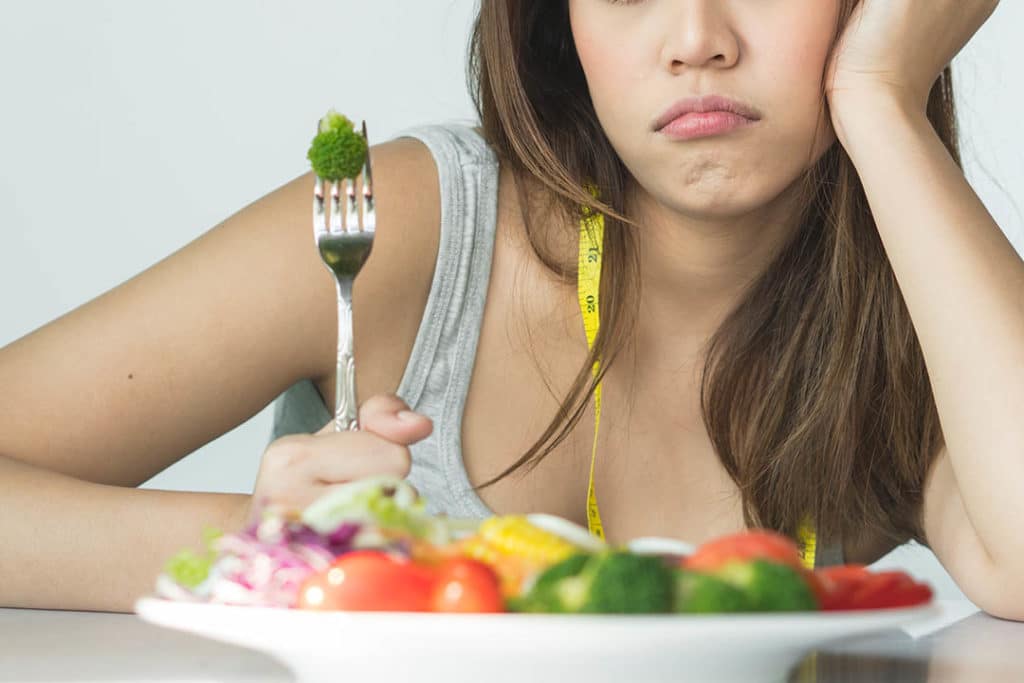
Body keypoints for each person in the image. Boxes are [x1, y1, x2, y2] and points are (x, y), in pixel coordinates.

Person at [2, 0, 1018, 620]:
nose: (698, 38)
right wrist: (261, 550)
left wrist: (884, 94)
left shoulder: (919, 311)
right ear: (559, 26)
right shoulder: (411, 223)